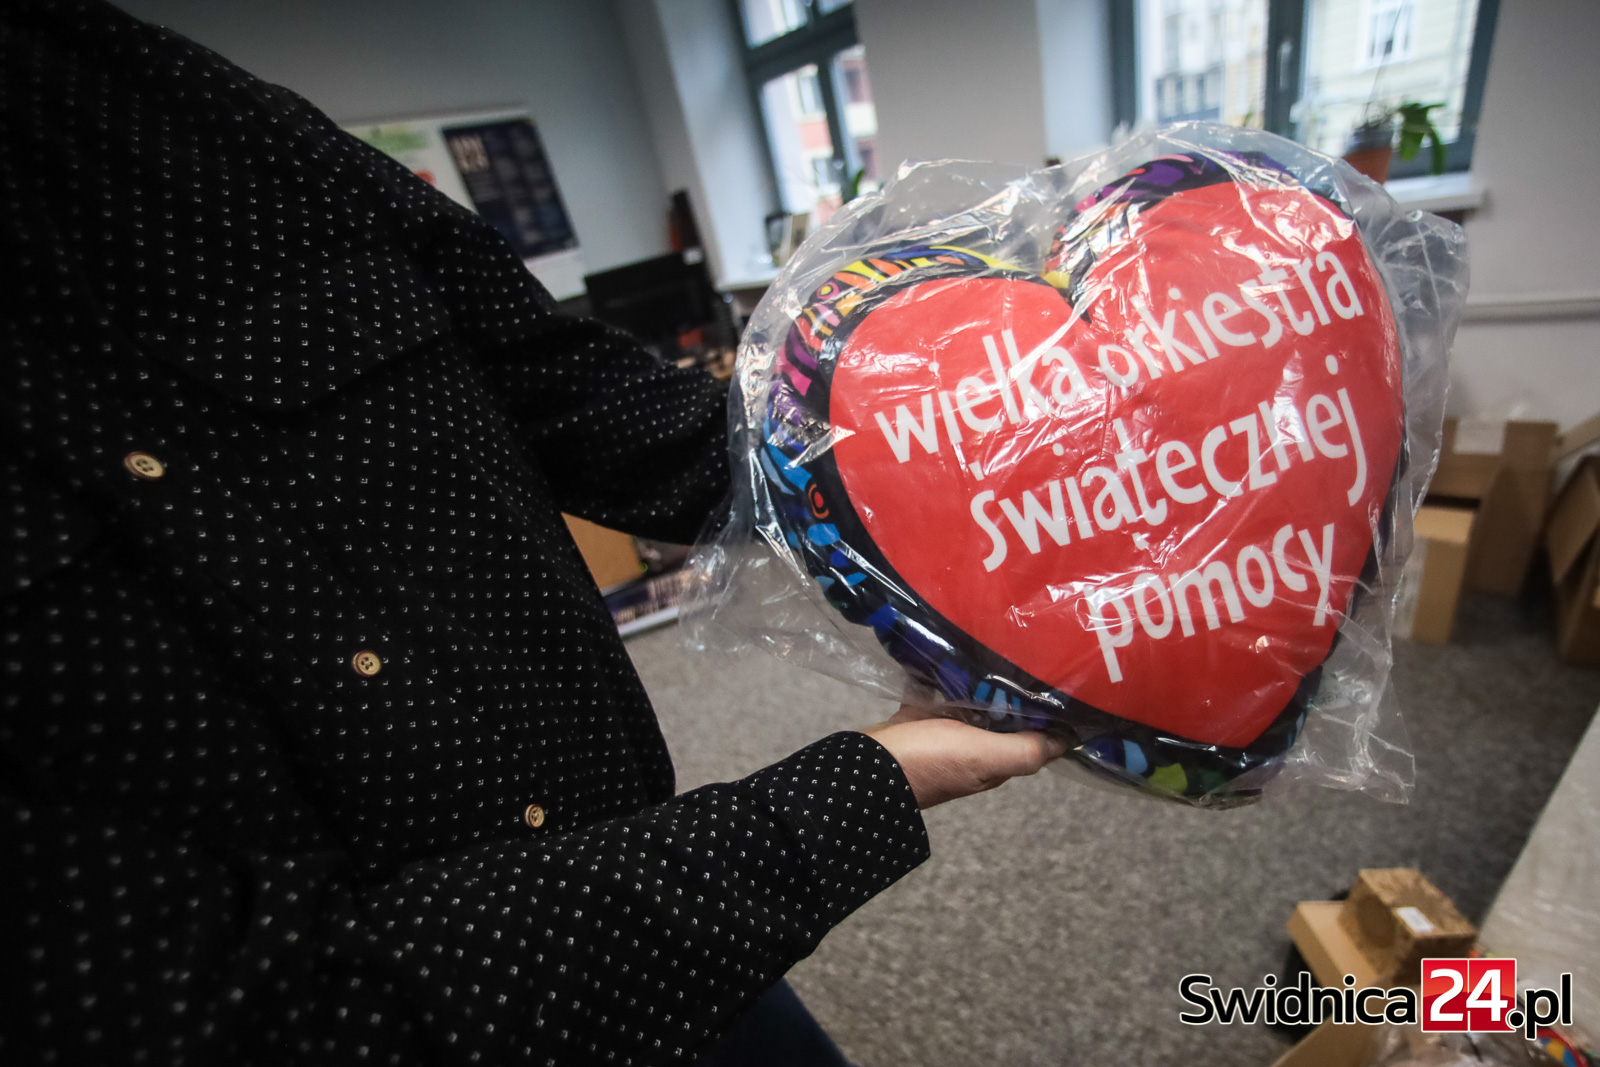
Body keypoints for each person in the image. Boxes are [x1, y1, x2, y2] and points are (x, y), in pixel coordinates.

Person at [0, 2, 1065, 1063]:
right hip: (599, 936)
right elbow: (242, 1016)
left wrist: (945, 450)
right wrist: (860, 792)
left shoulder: (151, 102)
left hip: (665, 889)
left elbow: (560, 383)